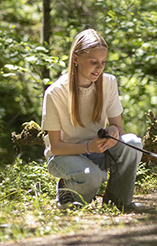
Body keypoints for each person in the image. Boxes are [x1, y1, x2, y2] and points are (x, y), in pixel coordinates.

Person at [40, 28, 148, 213]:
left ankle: (119, 201)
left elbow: (118, 126)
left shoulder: (109, 83)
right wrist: (89, 147)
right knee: (93, 177)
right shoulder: (55, 92)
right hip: (64, 156)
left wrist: (113, 132)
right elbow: (56, 146)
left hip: (97, 150)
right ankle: (68, 189)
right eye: (93, 62)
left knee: (133, 143)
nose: (99, 68)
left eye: (103, 62)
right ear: (76, 59)